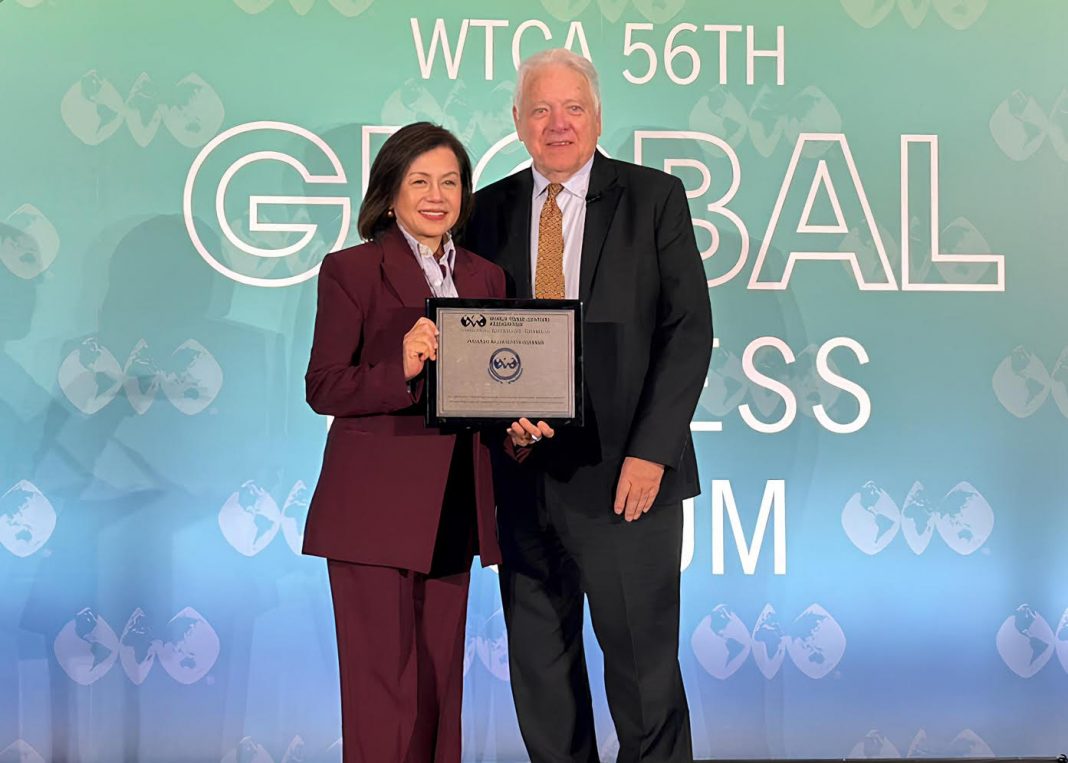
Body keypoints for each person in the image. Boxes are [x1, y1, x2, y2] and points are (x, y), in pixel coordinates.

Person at [463, 49, 713, 763]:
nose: (558, 124)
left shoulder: (654, 198)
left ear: (598, 117)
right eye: (541, 110)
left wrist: (651, 453)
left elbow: (688, 331)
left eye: (573, 108)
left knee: (643, 677)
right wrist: (500, 424)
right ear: (517, 121)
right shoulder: (487, 211)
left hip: (627, 480)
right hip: (522, 477)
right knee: (541, 674)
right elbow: (473, 336)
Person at [302, 122, 506, 763]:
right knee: (382, 697)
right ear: (390, 193)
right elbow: (324, 386)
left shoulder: (487, 277)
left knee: (440, 690)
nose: (436, 196)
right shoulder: (351, 270)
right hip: (374, 514)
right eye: (420, 181)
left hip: (454, 506)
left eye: (450, 182)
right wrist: (402, 366)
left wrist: (521, 424)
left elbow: (496, 388)